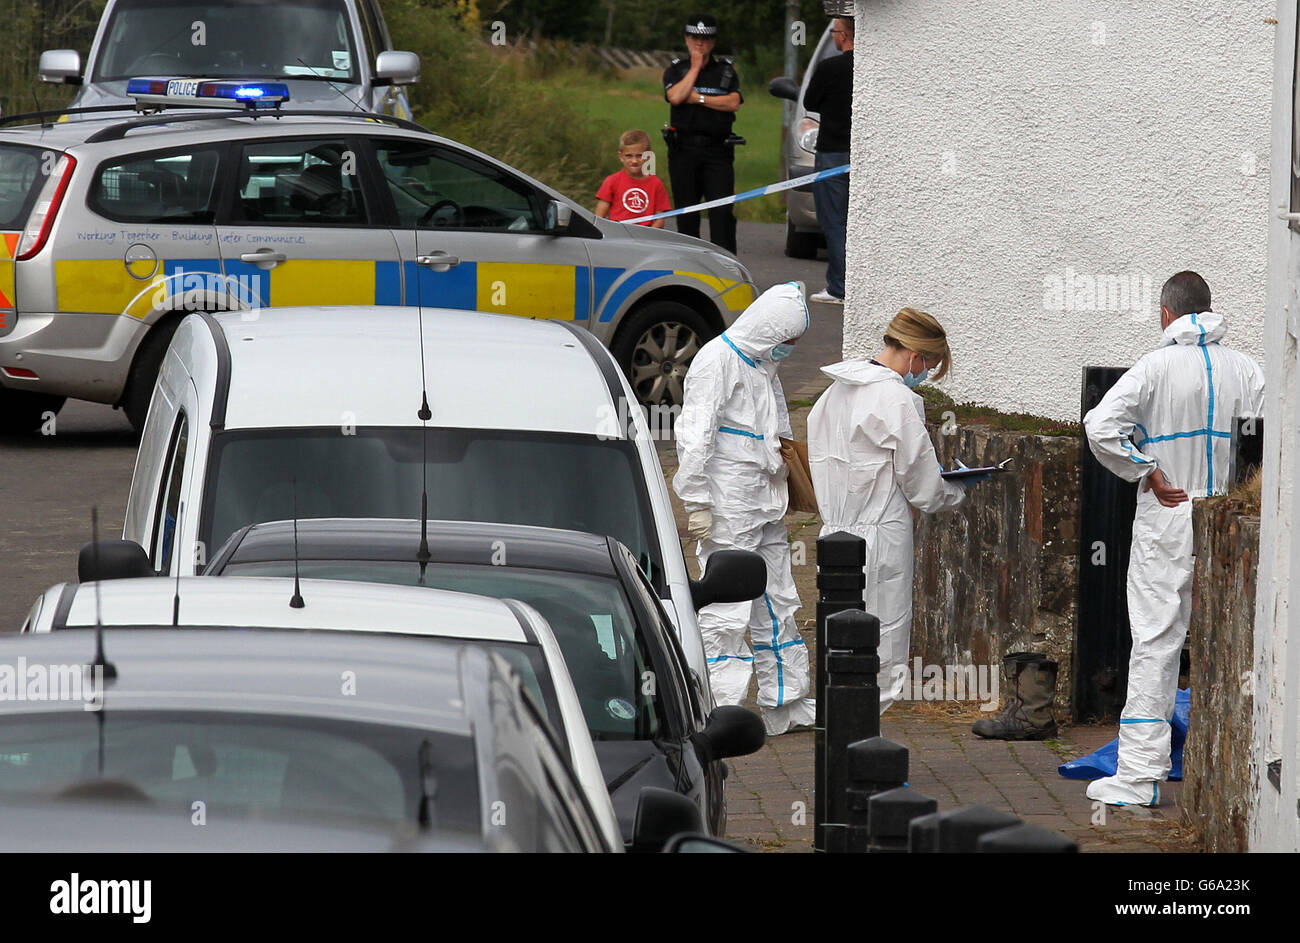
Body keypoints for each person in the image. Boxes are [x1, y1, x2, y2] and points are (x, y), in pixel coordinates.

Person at [1082, 271, 1264, 807]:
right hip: (1230, 520)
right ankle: (1246, 772)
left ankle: (1140, 775)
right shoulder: (1247, 369)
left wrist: (1146, 469)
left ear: (1166, 314)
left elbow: (1099, 425)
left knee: (1156, 641)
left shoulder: (1154, 367)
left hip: (1169, 513)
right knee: (1238, 642)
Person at [807, 308, 982, 714]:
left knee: (841, 636)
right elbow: (924, 486)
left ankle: (837, 725)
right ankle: (862, 733)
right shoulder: (897, 399)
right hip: (881, 535)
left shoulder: (834, 391)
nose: (925, 374)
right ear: (916, 356)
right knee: (882, 642)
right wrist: (958, 487)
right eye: (929, 366)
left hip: (835, 530)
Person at [673, 282, 813, 735]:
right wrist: (696, 501)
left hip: (764, 499)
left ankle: (785, 703)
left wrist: (787, 475)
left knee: (779, 600)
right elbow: (695, 436)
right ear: (769, 329)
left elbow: (776, 427)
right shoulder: (716, 361)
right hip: (730, 502)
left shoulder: (762, 362)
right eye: (787, 341)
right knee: (727, 611)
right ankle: (718, 710)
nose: (788, 350)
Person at [662, 13, 742, 254]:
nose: (700, 43)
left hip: (717, 151)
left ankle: (725, 264)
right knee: (687, 213)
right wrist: (695, 68)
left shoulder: (726, 71)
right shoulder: (677, 69)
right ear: (686, 39)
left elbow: (733, 103)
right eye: (694, 38)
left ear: (713, 41)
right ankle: (690, 265)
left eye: (705, 39)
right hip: (683, 150)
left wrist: (698, 98)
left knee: (722, 212)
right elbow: (676, 97)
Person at [803, 16, 854, 305]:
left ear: (843, 35)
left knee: (834, 220)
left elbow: (810, 102)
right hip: (862, 154)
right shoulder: (872, 67)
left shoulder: (829, 68)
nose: (834, 36)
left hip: (832, 153)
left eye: (835, 31)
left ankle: (839, 287)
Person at [595, 129, 671, 228]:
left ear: (648, 156)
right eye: (629, 156)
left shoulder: (656, 184)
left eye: (639, 156)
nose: (634, 161)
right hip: (617, 232)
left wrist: (647, 235)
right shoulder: (612, 181)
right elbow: (599, 216)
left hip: (646, 232)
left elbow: (660, 219)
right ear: (621, 156)